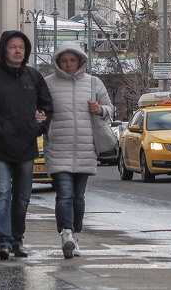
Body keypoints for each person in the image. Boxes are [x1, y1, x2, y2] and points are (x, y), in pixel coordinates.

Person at [0, 30, 53, 261]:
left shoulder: (34, 77)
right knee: (2, 194)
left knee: (23, 197)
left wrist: (38, 128)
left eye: (22, 47)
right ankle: (3, 242)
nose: (18, 51)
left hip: (26, 148)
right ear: (4, 49)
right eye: (13, 46)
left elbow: (47, 108)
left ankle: (18, 239)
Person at [43, 41, 114, 259]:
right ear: (58, 62)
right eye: (64, 61)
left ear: (80, 60)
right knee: (64, 194)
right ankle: (66, 234)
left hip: (85, 148)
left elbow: (110, 108)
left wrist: (100, 109)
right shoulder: (48, 84)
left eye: (72, 60)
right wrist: (40, 117)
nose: (68, 65)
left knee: (79, 198)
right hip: (58, 147)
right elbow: (40, 109)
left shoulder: (93, 83)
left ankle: (76, 235)